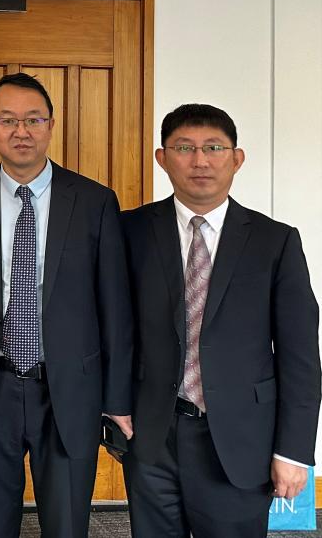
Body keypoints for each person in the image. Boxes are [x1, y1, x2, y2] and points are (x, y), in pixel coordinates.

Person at [122, 103, 320, 538]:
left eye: (214, 147)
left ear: (237, 158)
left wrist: (293, 450)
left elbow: (301, 356)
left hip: (240, 438)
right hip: (152, 436)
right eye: (184, 148)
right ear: (162, 158)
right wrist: (113, 404)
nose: (200, 161)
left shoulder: (275, 241)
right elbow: (115, 327)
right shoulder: (130, 231)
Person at [0, 72, 133, 538]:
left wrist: (116, 399)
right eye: (8, 120)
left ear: (51, 125)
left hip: (68, 392)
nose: (22, 131)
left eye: (34, 119)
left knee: (67, 523)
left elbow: (115, 309)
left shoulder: (94, 201)